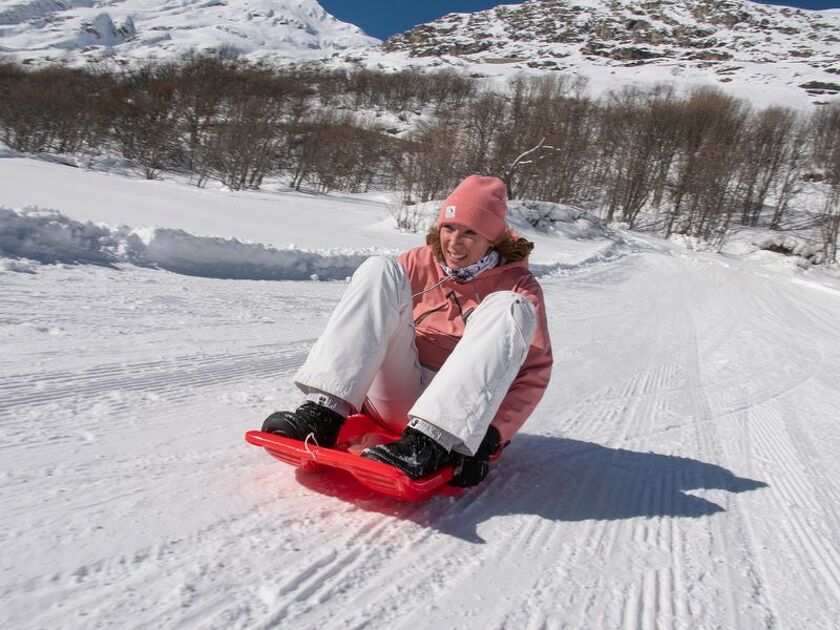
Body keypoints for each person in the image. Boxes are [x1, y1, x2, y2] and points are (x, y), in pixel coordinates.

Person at [262, 175, 552, 487]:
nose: (454, 242)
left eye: (470, 233)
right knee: (380, 268)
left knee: (510, 306)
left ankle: (429, 445)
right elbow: (372, 321)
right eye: (449, 228)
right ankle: (323, 414)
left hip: (456, 416)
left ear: (492, 239)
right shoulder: (417, 262)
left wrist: (491, 436)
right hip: (399, 394)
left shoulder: (520, 286)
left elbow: (533, 372)